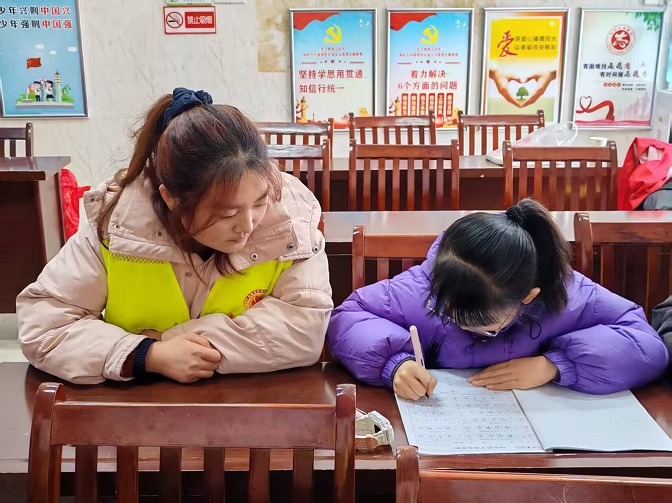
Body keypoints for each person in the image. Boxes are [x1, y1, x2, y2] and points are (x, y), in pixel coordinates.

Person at [17, 87, 333, 385]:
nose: (248, 224)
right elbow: (45, 327)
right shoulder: (117, 226)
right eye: (226, 214)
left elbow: (305, 331)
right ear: (171, 199)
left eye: (260, 202)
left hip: (256, 409)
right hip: (140, 412)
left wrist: (166, 342)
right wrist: (148, 356)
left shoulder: (291, 223)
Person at [327, 199, 668, 400]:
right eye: (450, 313)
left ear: (528, 297)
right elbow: (348, 316)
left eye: (480, 322)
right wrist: (394, 365)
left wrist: (555, 366)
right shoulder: (423, 288)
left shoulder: (568, 293)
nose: (461, 324)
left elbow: (645, 344)